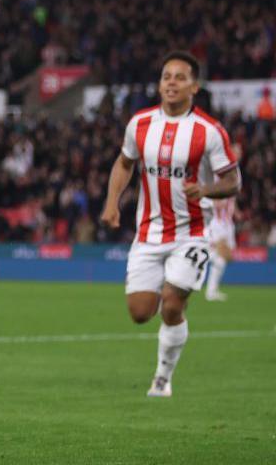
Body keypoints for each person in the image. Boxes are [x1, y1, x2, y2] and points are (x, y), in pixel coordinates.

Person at [100, 50, 240, 398]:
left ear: (194, 86)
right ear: (160, 84)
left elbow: (233, 181)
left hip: (192, 232)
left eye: (179, 77)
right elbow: (123, 163)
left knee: (173, 304)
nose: (171, 83)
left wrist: (205, 188)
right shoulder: (140, 124)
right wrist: (111, 203)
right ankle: (172, 292)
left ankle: (162, 379)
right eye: (166, 77)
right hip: (148, 232)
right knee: (140, 312)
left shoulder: (209, 131)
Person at [205, 197, 236, 301]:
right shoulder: (209, 217)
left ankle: (211, 292)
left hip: (216, 248)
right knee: (217, 261)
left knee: (220, 262)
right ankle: (210, 292)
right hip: (206, 244)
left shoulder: (226, 220)